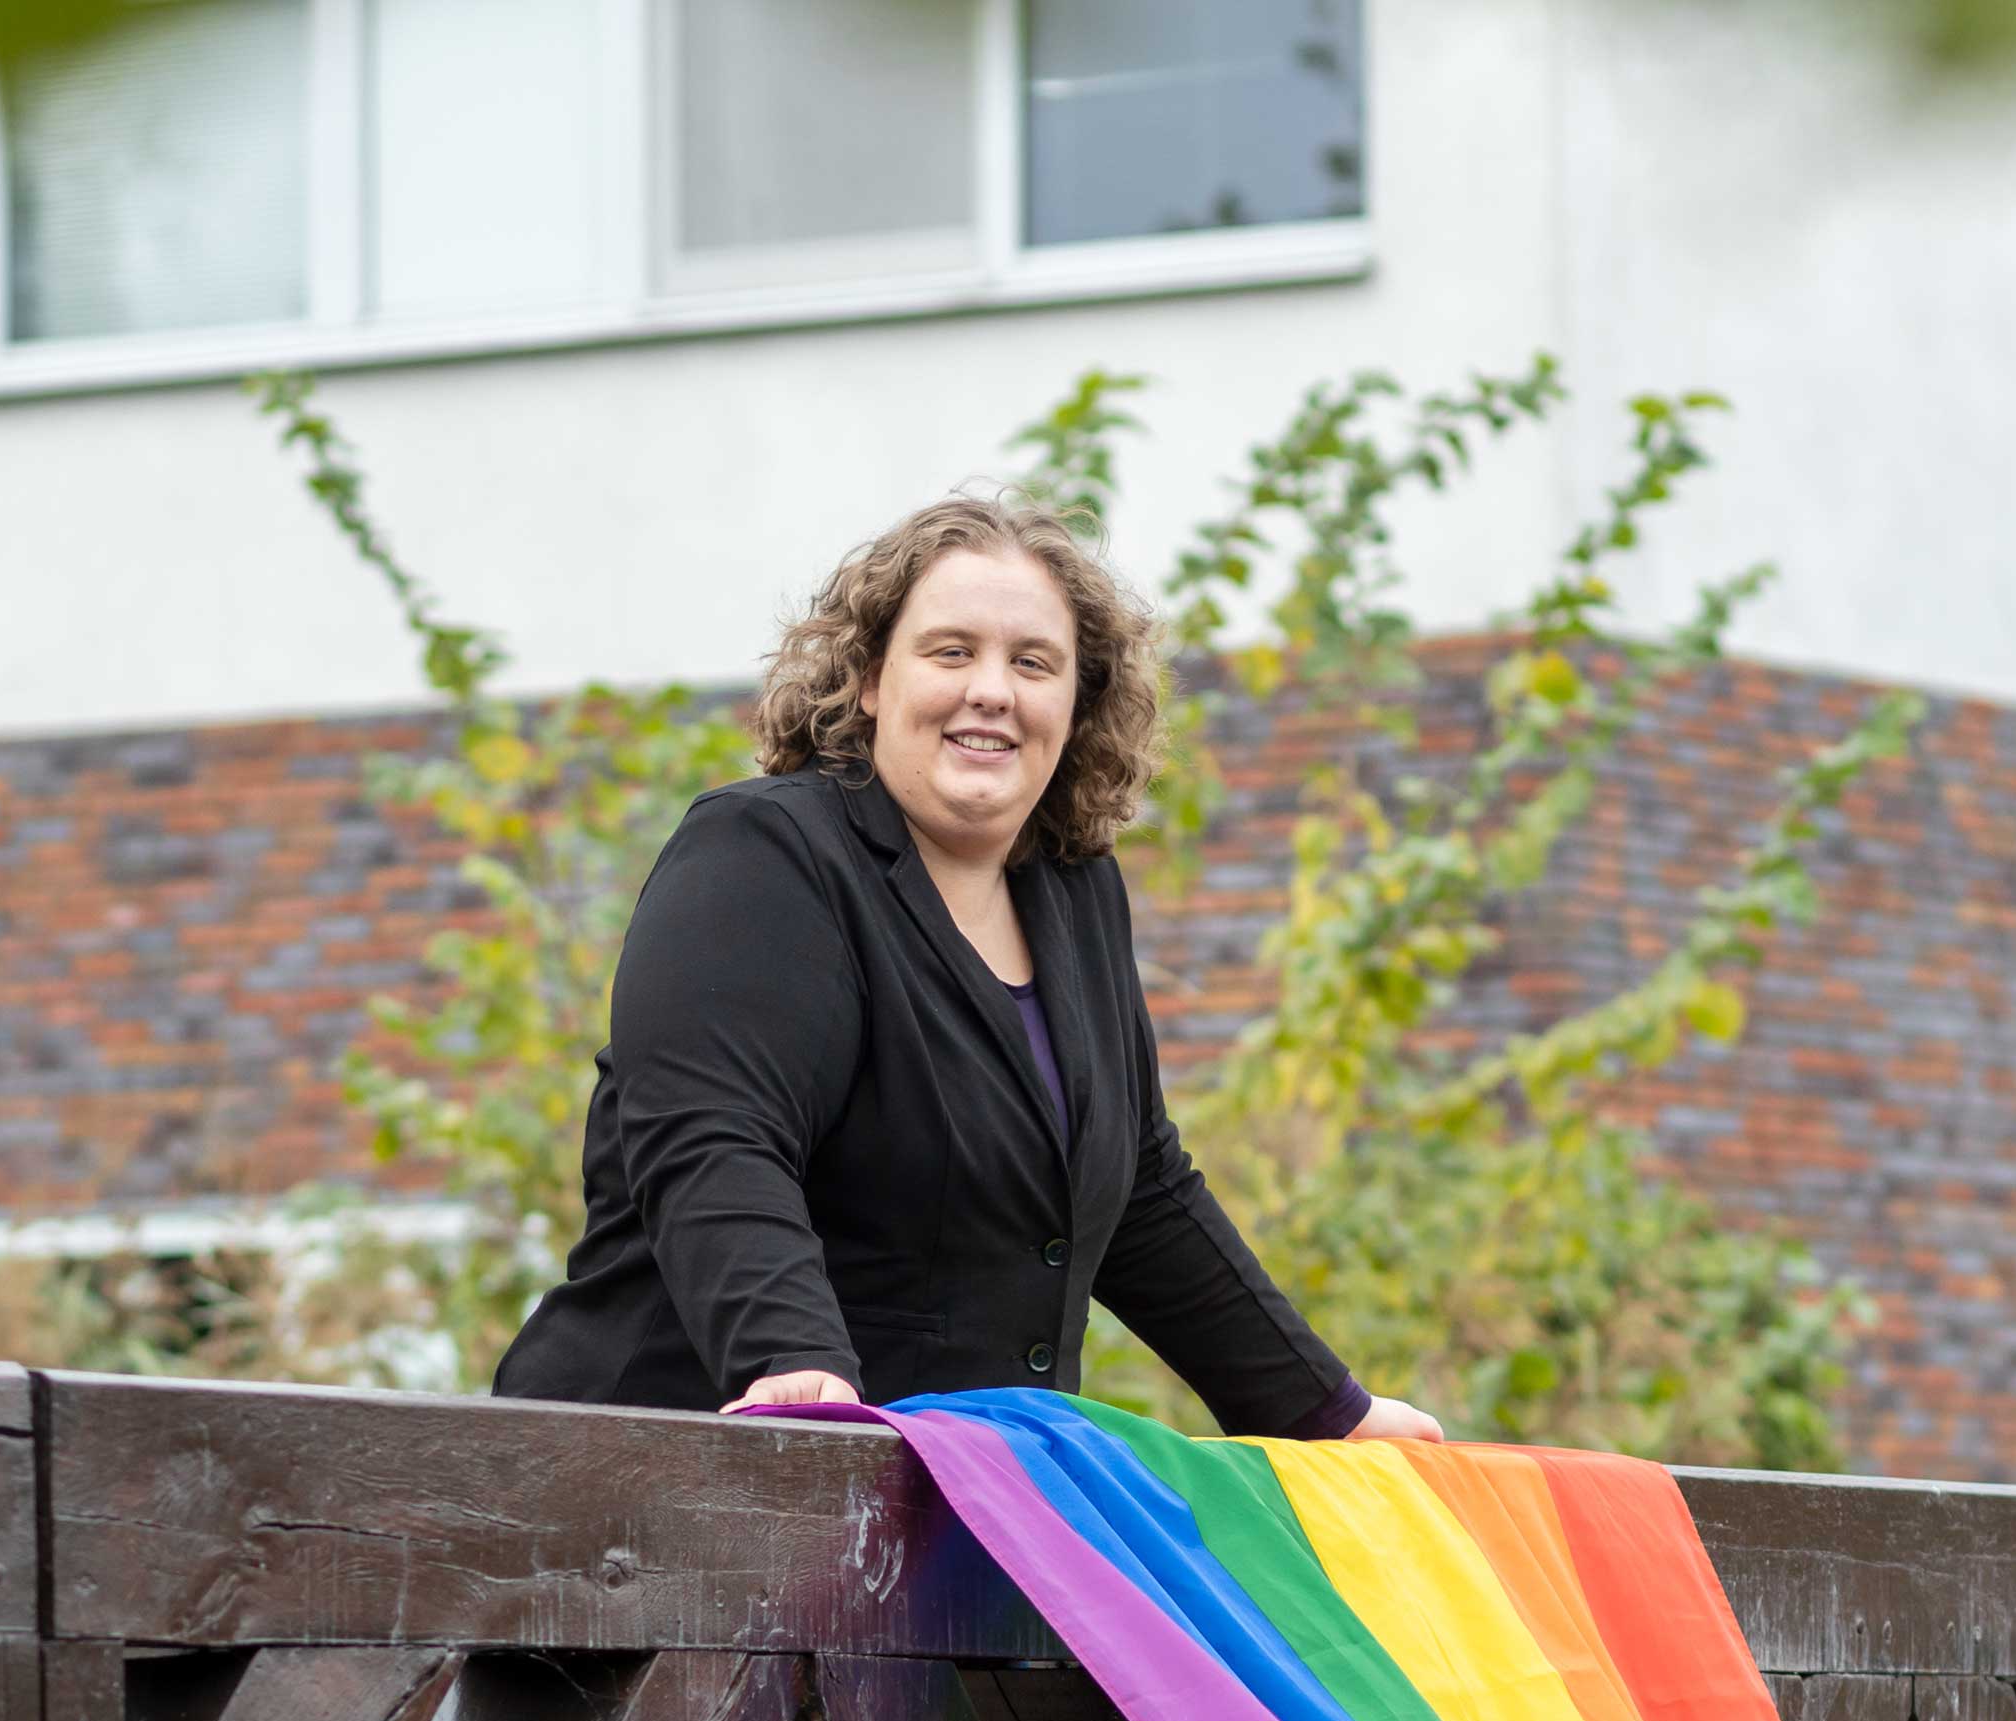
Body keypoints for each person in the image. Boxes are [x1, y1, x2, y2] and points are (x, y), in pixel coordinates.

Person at [491, 491, 1440, 1443]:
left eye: (1034, 663)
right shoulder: (763, 856)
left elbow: (1141, 1189)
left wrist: (1328, 1413)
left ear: (1077, 703)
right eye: (952, 652)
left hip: (955, 1500)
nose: (993, 689)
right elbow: (715, 1139)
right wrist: (792, 1365)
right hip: (657, 1477)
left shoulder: (1074, 890)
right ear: (869, 678)